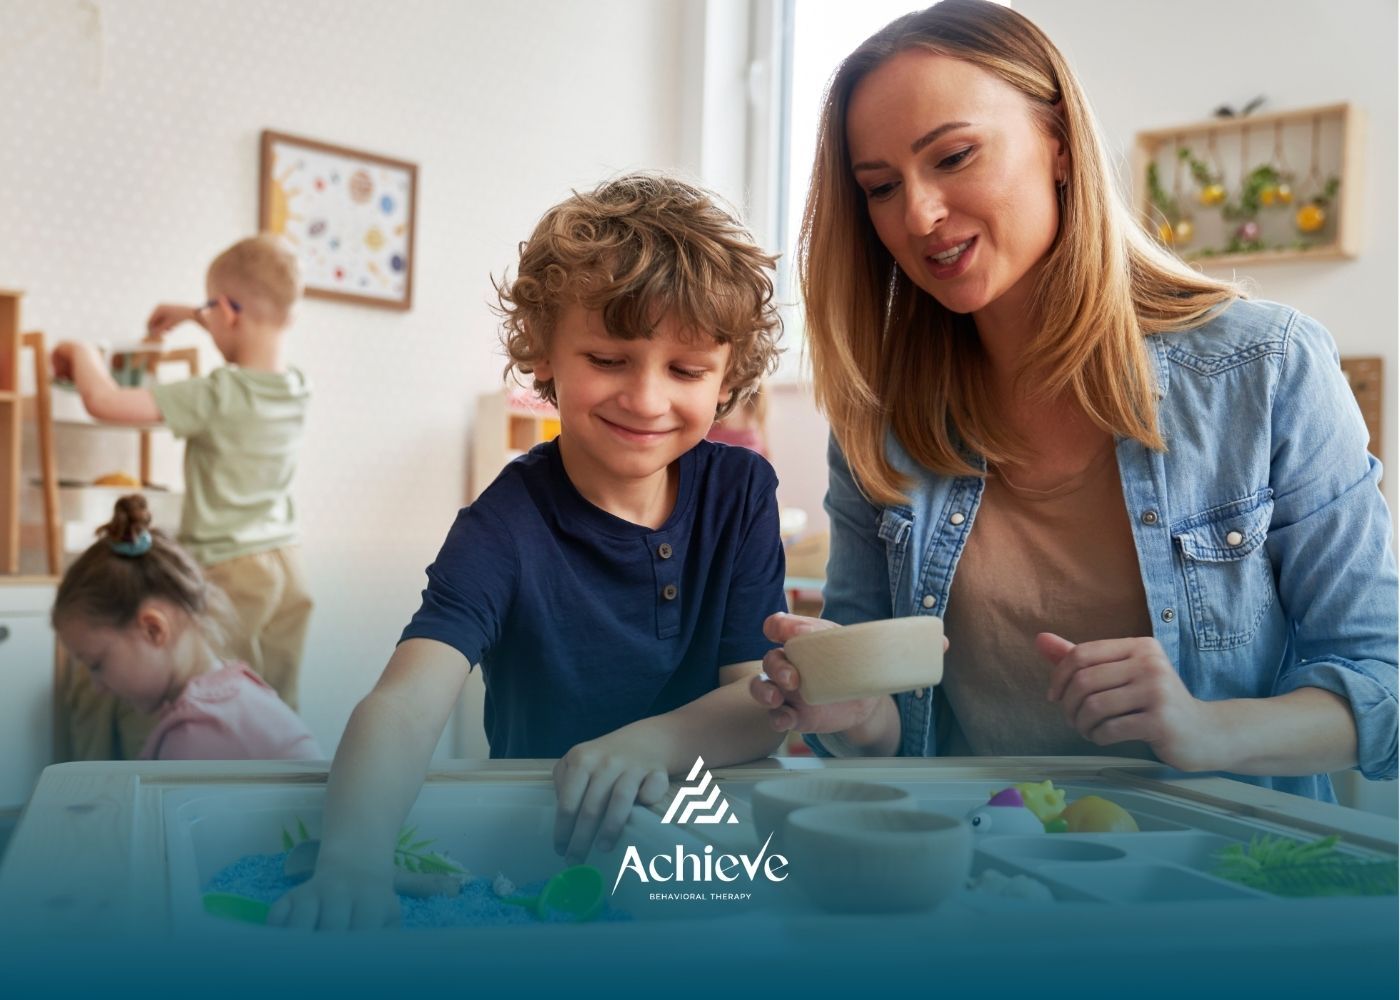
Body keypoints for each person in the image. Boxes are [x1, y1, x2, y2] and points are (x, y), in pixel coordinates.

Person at [750, 0, 1397, 800]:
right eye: (881, 188)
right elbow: (887, 732)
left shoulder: (1267, 367)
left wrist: (1206, 727)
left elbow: (1383, 684)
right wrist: (846, 711)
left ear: (1057, 143)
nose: (917, 215)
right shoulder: (883, 421)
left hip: (1213, 880)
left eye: (952, 157)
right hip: (980, 878)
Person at [270, 173, 786, 929]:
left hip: (708, 840)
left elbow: (761, 702)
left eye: (685, 370)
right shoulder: (503, 525)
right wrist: (352, 860)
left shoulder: (742, 492)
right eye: (609, 359)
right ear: (542, 355)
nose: (646, 399)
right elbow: (406, 704)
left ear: (728, 376)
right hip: (545, 852)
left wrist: (649, 743)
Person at [52, 234, 314, 712]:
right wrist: (197, 313)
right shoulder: (297, 387)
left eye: (210, 308)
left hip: (233, 568)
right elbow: (246, 316)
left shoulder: (217, 394)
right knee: (275, 705)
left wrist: (80, 349)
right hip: (288, 567)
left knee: (221, 705)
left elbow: (104, 403)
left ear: (229, 312)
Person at [51, 495, 322, 761]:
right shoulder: (235, 692)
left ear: (153, 630)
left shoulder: (197, 735)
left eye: (97, 665)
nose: (98, 687)